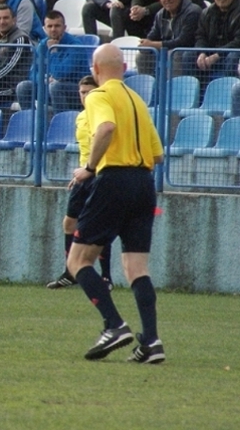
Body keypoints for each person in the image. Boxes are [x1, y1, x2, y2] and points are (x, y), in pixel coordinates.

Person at [68, 43, 164, 364]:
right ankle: (151, 341)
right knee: (136, 267)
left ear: (96, 71)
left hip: (114, 180)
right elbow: (158, 154)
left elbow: (106, 128)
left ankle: (114, 324)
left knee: (78, 261)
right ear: (123, 68)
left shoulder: (98, 96)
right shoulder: (137, 100)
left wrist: (89, 168)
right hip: (144, 183)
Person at [46, 74, 113, 289]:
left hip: (100, 174)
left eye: (88, 92)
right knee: (69, 222)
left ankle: (106, 277)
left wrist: (92, 170)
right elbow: (86, 150)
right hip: (84, 174)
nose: (84, 96)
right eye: (82, 93)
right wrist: (79, 174)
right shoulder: (81, 117)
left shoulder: (103, 115)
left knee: (101, 226)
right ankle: (70, 272)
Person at [15, 10, 92, 113]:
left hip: (76, 91)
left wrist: (53, 52)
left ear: (64, 28)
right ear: (44, 29)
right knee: (23, 86)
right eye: (50, 26)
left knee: (55, 86)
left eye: (57, 26)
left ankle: (60, 123)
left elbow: (60, 74)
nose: (53, 29)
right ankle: (31, 123)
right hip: (49, 86)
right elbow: (33, 73)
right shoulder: (42, 45)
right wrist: (43, 80)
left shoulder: (75, 46)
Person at [138, 0, 201, 76]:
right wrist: (145, 44)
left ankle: (170, 89)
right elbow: (152, 35)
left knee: (173, 54)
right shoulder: (160, 14)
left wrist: (153, 44)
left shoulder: (193, 12)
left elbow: (184, 41)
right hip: (168, 50)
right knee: (142, 56)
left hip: (187, 53)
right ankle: (151, 88)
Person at [184, 0, 240, 84]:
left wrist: (217, 55)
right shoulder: (206, 13)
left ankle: (227, 94)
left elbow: (238, 41)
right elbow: (200, 36)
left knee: (234, 56)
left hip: (230, 55)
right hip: (211, 55)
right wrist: (202, 53)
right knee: (188, 55)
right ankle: (197, 96)